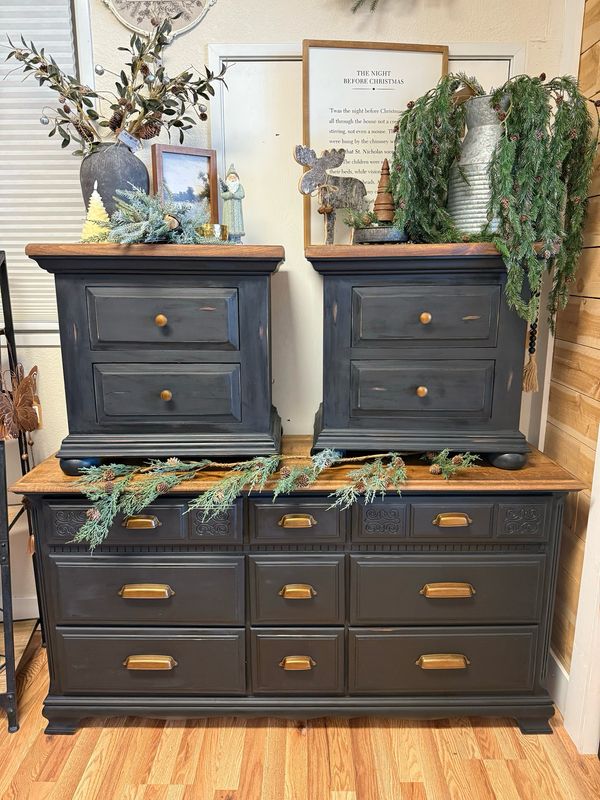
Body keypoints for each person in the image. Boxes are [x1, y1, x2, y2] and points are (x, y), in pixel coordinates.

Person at [220, 164, 245, 242]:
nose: (232, 179)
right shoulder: (226, 187)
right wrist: (229, 194)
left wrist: (234, 195)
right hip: (228, 209)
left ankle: (237, 239)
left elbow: (242, 194)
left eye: (234, 177)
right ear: (228, 178)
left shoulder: (239, 186)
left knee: (237, 225)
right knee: (228, 224)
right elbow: (222, 194)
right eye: (231, 177)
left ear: (236, 178)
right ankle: (230, 239)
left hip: (236, 209)